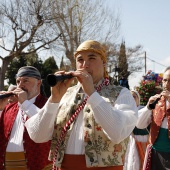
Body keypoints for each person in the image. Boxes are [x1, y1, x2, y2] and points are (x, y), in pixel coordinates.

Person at [25, 40, 138, 170]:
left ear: (104, 63)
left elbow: (118, 132)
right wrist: (54, 99)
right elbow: (38, 135)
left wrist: (92, 93)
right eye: (80, 60)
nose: (85, 65)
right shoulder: (64, 94)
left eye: (92, 58)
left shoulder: (122, 94)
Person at [0, 66, 52, 170]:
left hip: (38, 166)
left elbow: (44, 125)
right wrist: (0, 108)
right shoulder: (8, 108)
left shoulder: (48, 105)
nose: (20, 85)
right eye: (18, 81)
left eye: (26, 81)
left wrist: (25, 103)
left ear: (38, 83)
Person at [136, 66, 170, 170]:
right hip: (155, 154)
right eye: (165, 80)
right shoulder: (156, 101)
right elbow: (139, 125)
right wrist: (147, 107)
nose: (167, 84)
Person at [124, 90, 149, 170]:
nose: (132, 98)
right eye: (130, 97)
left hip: (145, 139)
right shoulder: (125, 111)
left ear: (138, 99)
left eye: (134, 96)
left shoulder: (145, 110)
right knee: (133, 162)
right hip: (132, 140)